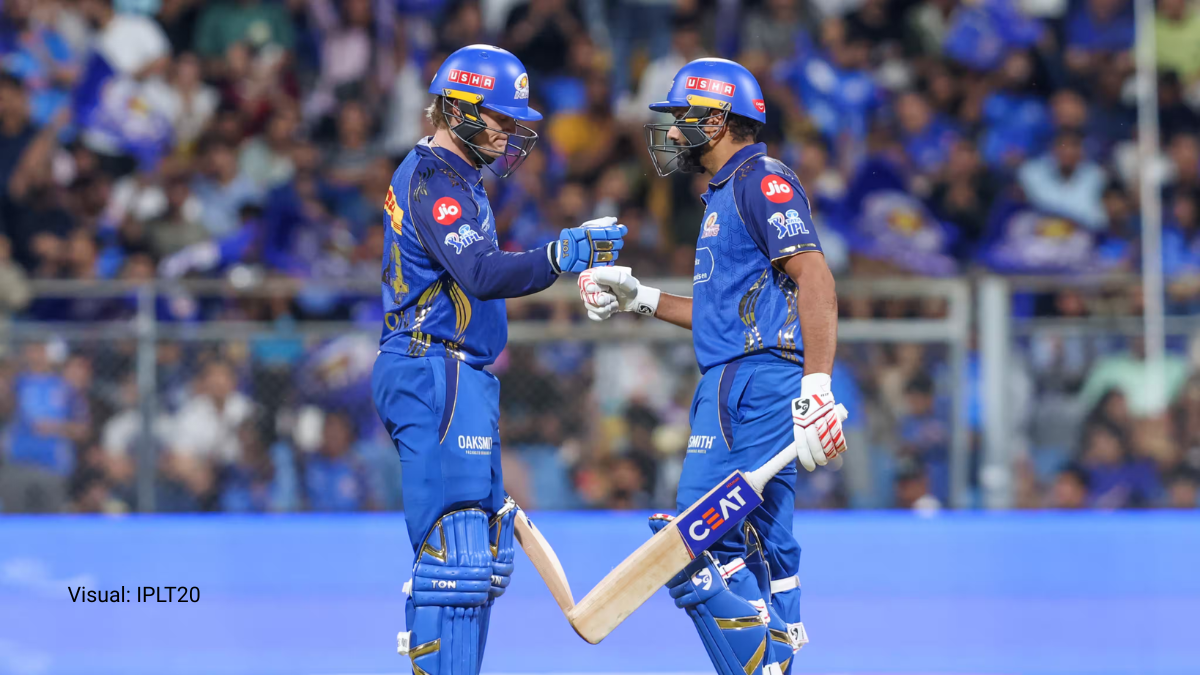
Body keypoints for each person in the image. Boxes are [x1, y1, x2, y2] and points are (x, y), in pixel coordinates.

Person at [579, 59, 848, 674]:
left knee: (695, 542)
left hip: (752, 382)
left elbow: (816, 276)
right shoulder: (727, 191)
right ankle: (778, 653)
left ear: (720, 120)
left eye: (683, 118)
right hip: (745, 375)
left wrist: (817, 385)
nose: (673, 132)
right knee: (763, 544)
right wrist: (640, 298)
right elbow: (721, 315)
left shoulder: (761, 181)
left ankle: (764, 663)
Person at [369, 45, 625, 675]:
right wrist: (561, 255)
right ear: (459, 109)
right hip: (432, 367)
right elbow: (481, 274)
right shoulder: (433, 179)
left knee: (480, 558)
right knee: (452, 559)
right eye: (502, 119)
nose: (511, 133)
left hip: (458, 373)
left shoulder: (458, 179)